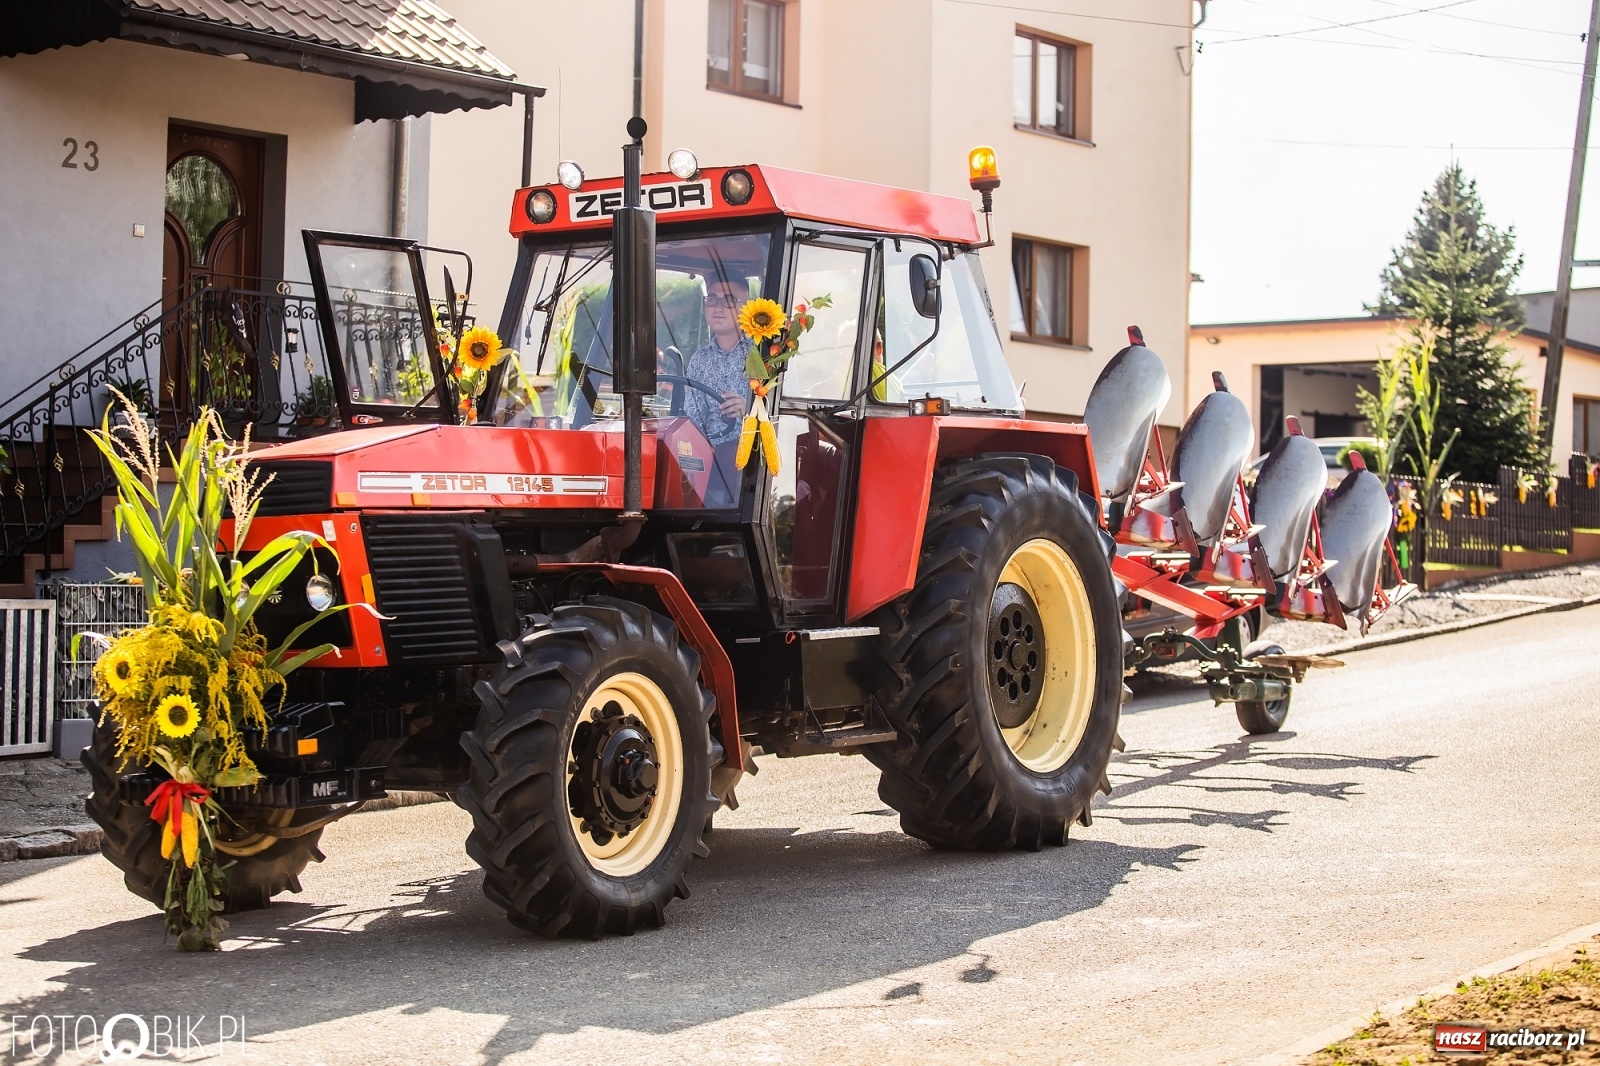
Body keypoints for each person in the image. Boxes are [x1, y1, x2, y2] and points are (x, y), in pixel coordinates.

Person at [684, 277, 754, 505]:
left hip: (752, 461)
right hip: (707, 459)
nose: (718, 308)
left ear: (747, 306)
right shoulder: (699, 360)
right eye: (712, 299)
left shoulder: (764, 354)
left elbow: (790, 417)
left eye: (729, 300)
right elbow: (693, 421)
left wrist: (749, 408)